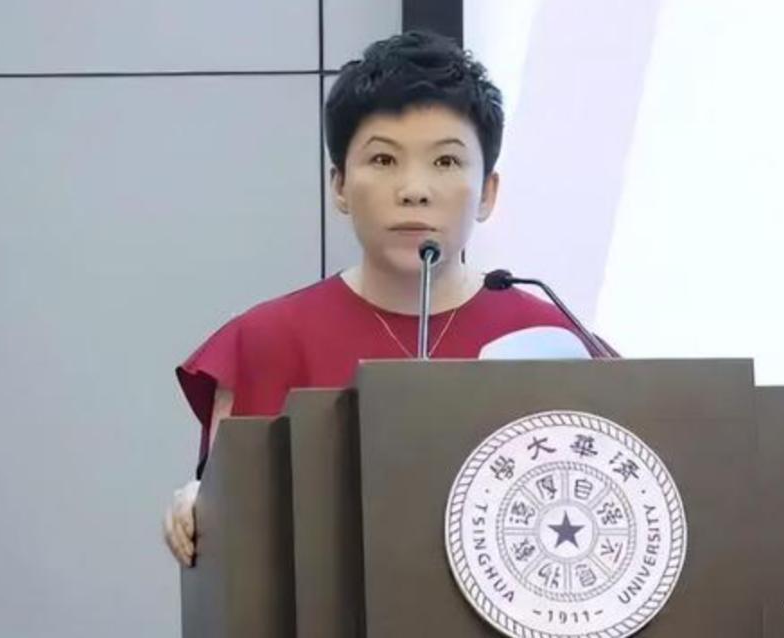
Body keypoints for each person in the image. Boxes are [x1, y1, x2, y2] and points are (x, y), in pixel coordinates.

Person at [162, 31, 596, 566]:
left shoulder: (551, 339)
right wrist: (199, 506)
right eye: (384, 160)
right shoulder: (264, 339)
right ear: (340, 186)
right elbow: (226, 512)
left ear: (487, 192)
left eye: (446, 162)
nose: (414, 189)